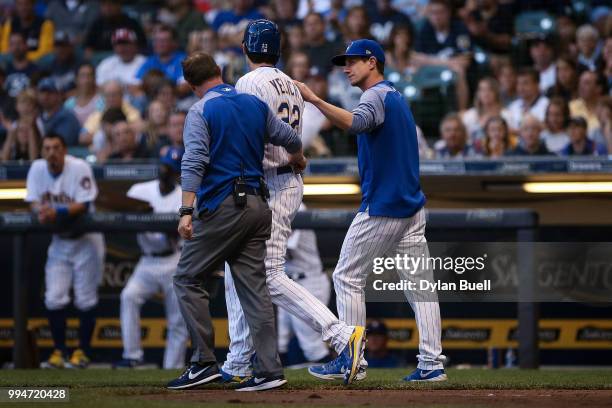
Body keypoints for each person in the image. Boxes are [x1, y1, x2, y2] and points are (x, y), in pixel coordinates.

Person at [220, 20, 364, 386]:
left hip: (270, 181)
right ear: (277, 50)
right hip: (283, 178)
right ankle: (238, 360)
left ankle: (339, 333)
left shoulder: (248, 82)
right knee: (237, 269)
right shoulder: (288, 82)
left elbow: (248, 136)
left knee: (267, 274)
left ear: (245, 48)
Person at [294, 38, 446, 382]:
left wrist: (315, 100)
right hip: (410, 206)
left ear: (372, 62)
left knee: (346, 276)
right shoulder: (395, 96)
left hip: (385, 206)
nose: (346, 68)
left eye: (352, 61)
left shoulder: (375, 95)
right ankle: (432, 362)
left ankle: (352, 359)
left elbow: (357, 123)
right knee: (420, 287)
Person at [165, 51, 309, 392]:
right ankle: (270, 370)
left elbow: (194, 162)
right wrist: (299, 158)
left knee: (186, 278)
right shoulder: (252, 103)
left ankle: (203, 362)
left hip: (224, 207)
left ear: (190, 84)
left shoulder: (201, 109)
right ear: (219, 71)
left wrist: (186, 211)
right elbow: (290, 138)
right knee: (255, 288)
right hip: (259, 206)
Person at [25, 133, 105, 369]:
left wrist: (56, 213)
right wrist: (41, 210)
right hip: (60, 241)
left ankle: (82, 352)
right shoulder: (37, 169)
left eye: (56, 148)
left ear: (64, 150)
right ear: (42, 151)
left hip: (86, 241)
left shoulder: (78, 167)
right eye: (47, 148)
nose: (51, 152)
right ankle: (59, 351)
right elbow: (32, 200)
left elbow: (85, 203)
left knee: (85, 299)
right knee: (54, 297)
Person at [114, 147, 188, 369]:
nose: (165, 171)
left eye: (170, 169)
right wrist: (138, 210)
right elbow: (120, 207)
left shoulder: (184, 195)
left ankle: (172, 367)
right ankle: (132, 355)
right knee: (128, 296)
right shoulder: (140, 189)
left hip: (173, 259)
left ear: (177, 173)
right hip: (147, 260)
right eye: (164, 166)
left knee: (177, 319)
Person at [277, 204, 332, 365]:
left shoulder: (295, 207)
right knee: (279, 340)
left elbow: (285, 250)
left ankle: (333, 380)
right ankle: (275, 380)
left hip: (309, 282)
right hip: (285, 282)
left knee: (311, 344)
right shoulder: (267, 202)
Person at [461, 77, 509, 143]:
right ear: (478, 93)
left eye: (490, 90)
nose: (486, 93)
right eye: (482, 90)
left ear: (496, 93)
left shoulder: (506, 114)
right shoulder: (470, 115)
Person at [37, 78, 81, 146]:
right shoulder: (38, 116)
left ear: (59, 95)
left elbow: (59, 146)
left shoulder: (67, 117)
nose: (45, 96)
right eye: (42, 92)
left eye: (50, 93)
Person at [3, 31, 40, 98]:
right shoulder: (5, 69)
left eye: (19, 43)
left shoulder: (35, 70)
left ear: (26, 45)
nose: (16, 47)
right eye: (12, 44)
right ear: (9, 47)